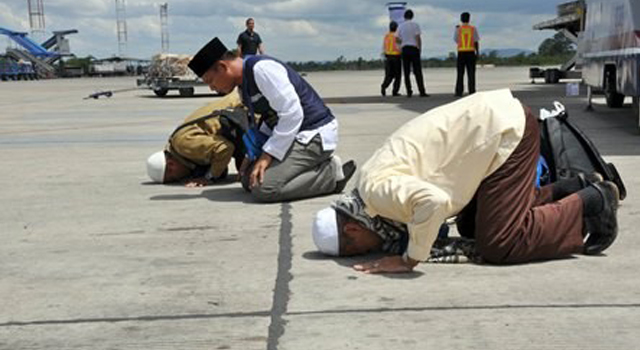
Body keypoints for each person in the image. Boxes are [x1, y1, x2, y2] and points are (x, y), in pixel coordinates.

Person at [312, 89, 619, 274]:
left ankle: (594, 201)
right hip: (490, 130)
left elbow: (431, 202)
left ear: (352, 228)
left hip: (503, 133)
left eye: (357, 250)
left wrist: (408, 260)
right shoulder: (367, 193)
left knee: (499, 243)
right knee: (473, 226)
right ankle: (570, 189)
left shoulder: (377, 194)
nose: (368, 253)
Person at [187, 37, 357, 203]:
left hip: (313, 134)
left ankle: (330, 173)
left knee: (265, 189)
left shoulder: (261, 69)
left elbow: (291, 113)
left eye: (210, 81)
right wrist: (252, 154)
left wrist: (268, 155)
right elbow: (269, 119)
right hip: (292, 136)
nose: (212, 87)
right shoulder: (243, 84)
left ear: (223, 67)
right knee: (249, 180)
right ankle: (308, 169)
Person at [146, 90, 250, 186]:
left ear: (171, 166)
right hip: (243, 101)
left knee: (250, 178)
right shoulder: (178, 144)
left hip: (247, 106)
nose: (180, 179)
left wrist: (208, 177)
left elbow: (224, 148)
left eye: (174, 178)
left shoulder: (183, 145)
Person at [395, 9, 428, 98]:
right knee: (418, 71)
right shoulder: (415, 25)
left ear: (404, 17)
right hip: (414, 49)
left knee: (406, 72)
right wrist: (419, 48)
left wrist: (400, 46)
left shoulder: (400, 26)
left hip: (405, 49)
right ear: (412, 16)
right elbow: (418, 38)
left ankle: (409, 91)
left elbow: (397, 39)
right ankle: (422, 91)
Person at [454, 12, 479, 97]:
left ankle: (459, 91)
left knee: (460, 73)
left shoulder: (458, 29)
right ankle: (472, 91)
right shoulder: (473, 28)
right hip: (471, 52)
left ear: (461, 19)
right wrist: (477, 52)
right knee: (471, 73)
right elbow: (476, 41)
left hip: (461, 52)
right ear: (469, 19)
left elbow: (456, 40)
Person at [380, 21, 402, 97]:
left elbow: (383, 47)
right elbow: (399, 46)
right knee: (397, 76)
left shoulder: (386, 36)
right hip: (396, 57)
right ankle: (395, 91)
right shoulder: (397, 36)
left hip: (388, 57)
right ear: (396, 28)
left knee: (389, 75)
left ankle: (384, 86)